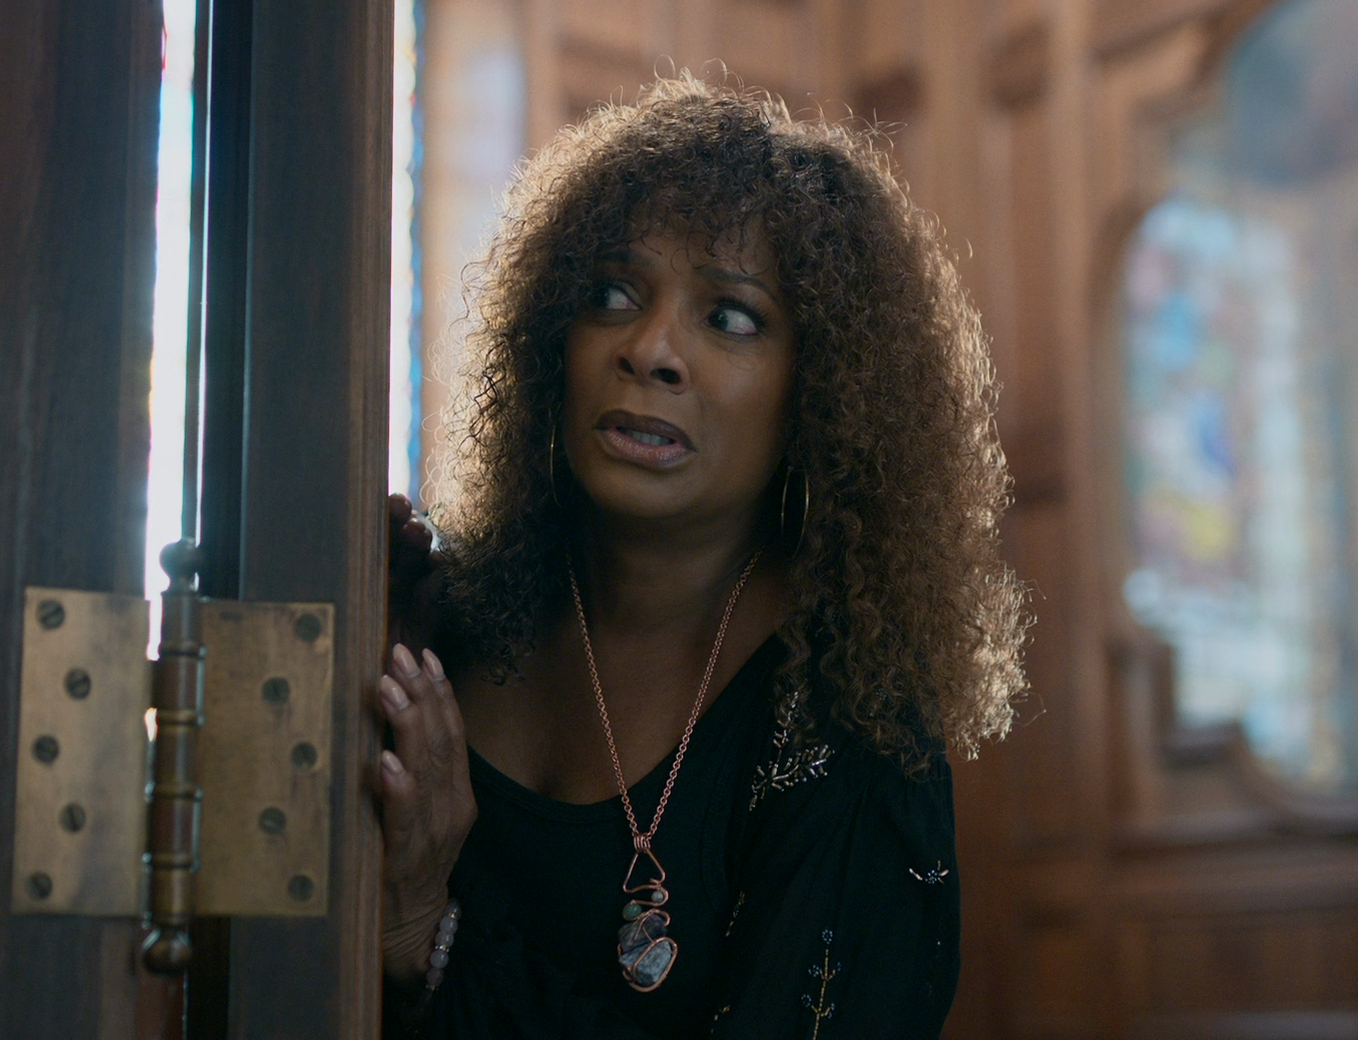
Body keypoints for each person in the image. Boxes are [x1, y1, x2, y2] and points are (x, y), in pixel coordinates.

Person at [375, 74, 1028, 1038]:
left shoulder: (853, 722)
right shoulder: (435, 619)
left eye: (729, 317)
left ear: (821, 392)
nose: (650, 349)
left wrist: (430, 932)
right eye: (611, 294)